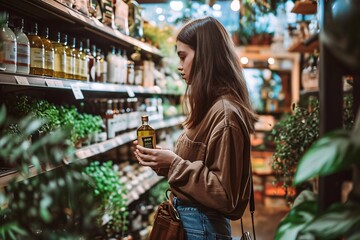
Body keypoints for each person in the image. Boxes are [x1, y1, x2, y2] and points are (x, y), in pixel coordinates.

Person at [134, 16, 257, 239]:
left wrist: (173, 163)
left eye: (183, 56)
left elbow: (224, 194)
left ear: (205, 57)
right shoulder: (212, 107)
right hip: (196, 225)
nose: (180, 66)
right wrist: (162, 162)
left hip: (201, 227)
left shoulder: (225, 113)